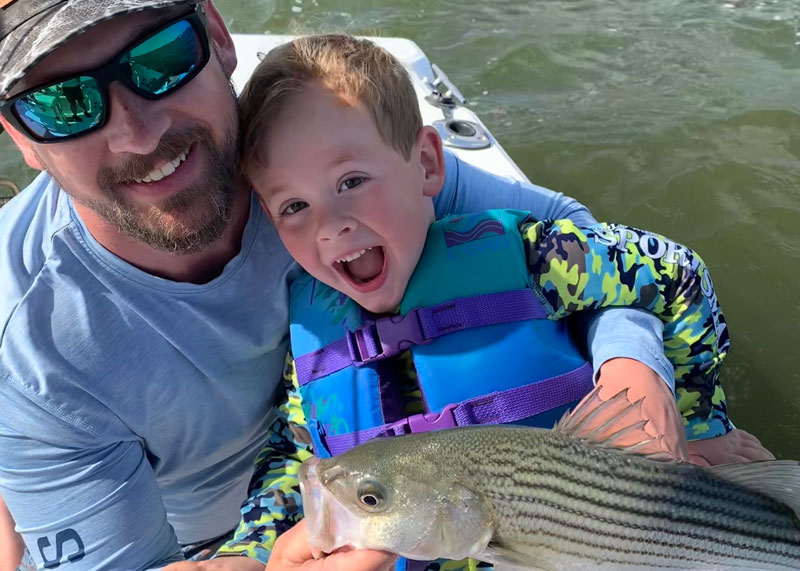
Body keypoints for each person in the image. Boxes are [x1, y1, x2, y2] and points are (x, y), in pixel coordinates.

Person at [0, 2, 769, 570]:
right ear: (19, 140)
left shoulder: (313, 146)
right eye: (59, 102)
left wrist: (655, 385)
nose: (138, 133)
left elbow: (605, 257)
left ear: (216, 35)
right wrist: (249, 557)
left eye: (159, 56)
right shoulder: (23, 351)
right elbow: (292, 456)